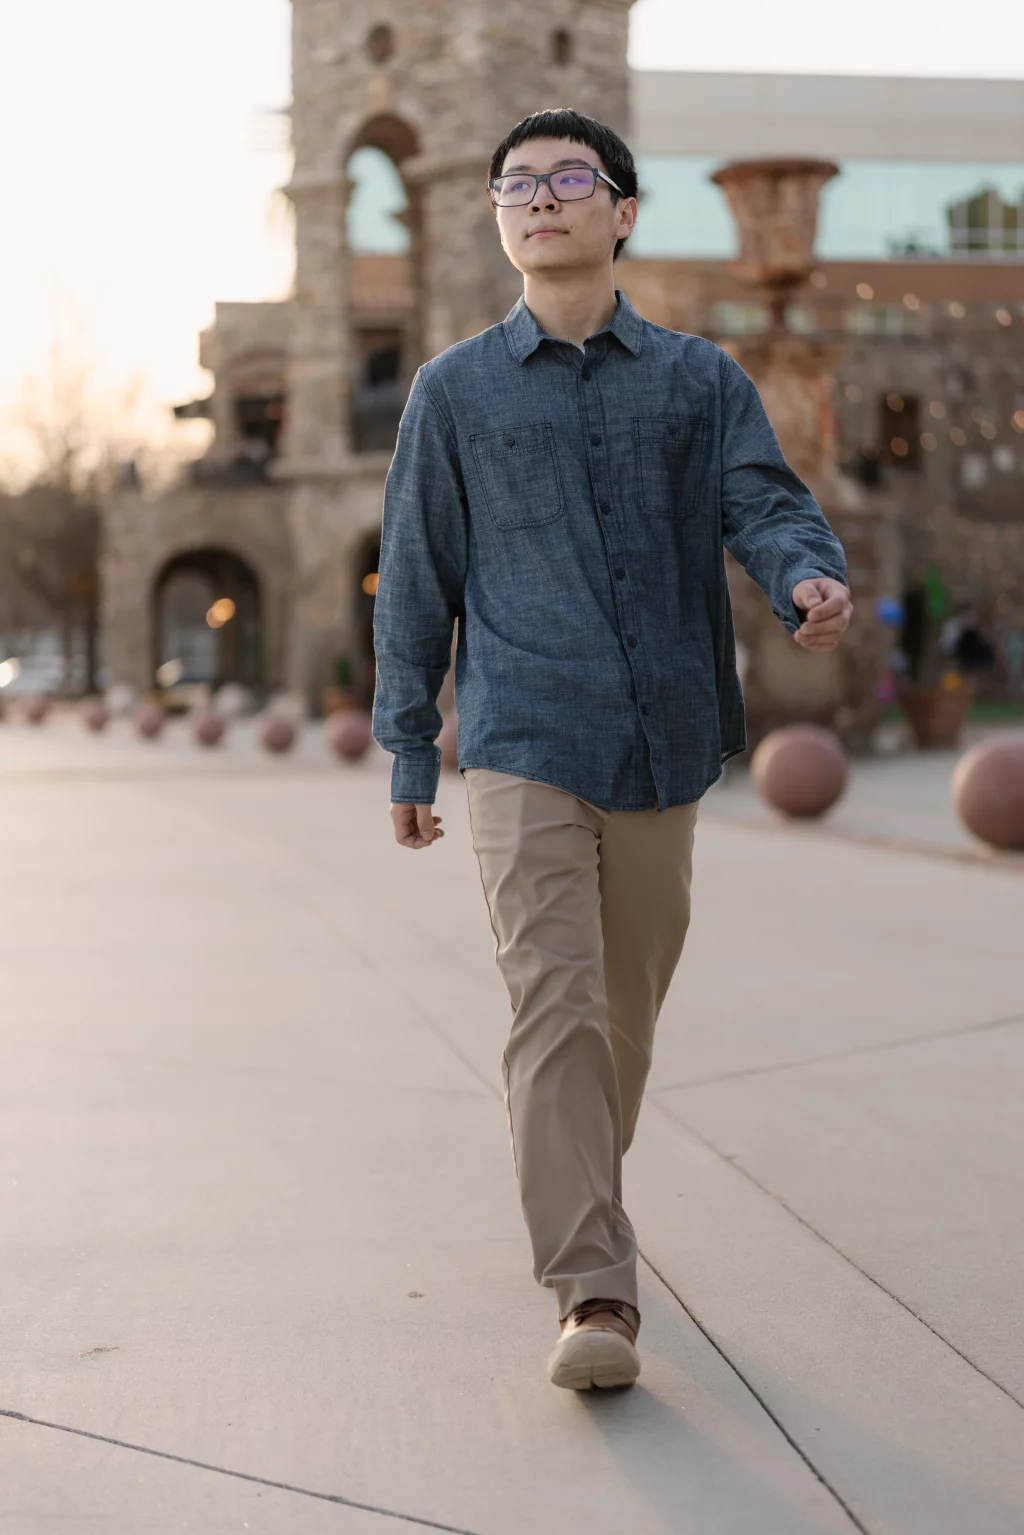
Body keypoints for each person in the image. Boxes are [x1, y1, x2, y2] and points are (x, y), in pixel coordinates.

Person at [372, 109, 853, 1392]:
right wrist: (411, 749)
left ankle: (576, 1178)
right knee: (554, 1002)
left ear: (622, 212)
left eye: (569, 178)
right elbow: (416, 581)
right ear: (498, 217)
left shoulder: (697, 379)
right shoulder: (453, 392)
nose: (539, 199)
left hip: (664, 740)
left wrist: (805, 575)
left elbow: (764, 499)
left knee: (621, 1019)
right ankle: (594, 1285)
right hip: (525, 736)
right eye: (515, 185)